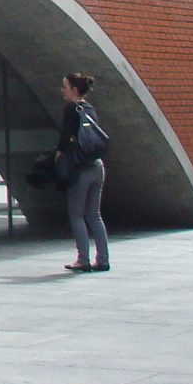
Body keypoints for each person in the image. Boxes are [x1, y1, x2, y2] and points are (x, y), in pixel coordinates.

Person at [57, 72, 110, 273]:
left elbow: (65, 137)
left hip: (81, 169)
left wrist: (58, 156)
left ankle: (83, 259)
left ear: (74, 89)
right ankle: (103, 260)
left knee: (76, 215)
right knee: (94, 215)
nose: (62, 90)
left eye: (65, 86)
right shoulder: (89, 108)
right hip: (97, 166)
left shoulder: (71, 108)